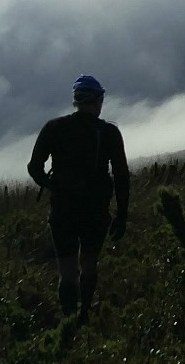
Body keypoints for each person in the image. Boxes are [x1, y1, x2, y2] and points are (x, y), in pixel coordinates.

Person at [27, 74, 131, 319]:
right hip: (95, 208)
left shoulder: (54, 128)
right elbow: (121, 175)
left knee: (67, 268)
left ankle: (69, 319)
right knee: (89, 263)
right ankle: (84, 313)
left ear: (76, 101)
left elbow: (34, 168)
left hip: (63, 209)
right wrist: (122, 214)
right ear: (98, 100)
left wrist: (53, 186)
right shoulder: (108, 132)